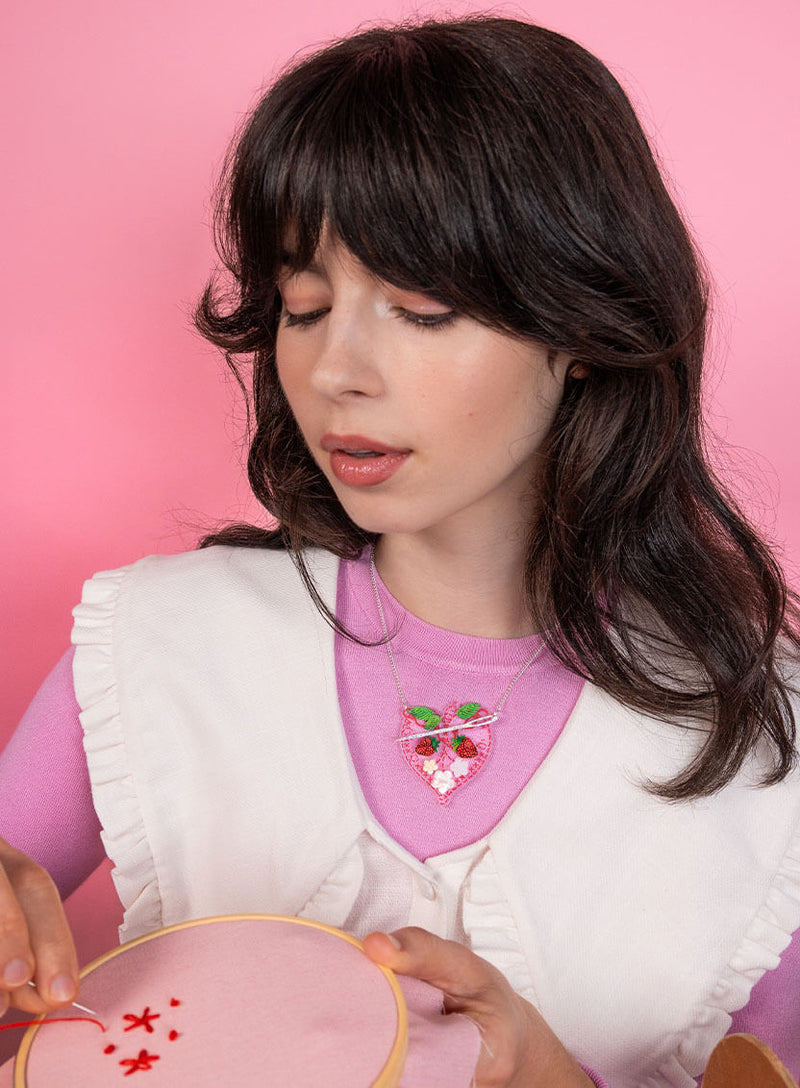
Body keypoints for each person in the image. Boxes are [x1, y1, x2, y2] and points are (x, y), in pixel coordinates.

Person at [1, 16, 799, 1088]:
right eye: (304, 305)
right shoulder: (154, 645)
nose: (337, 369)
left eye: (419, 309)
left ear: (579, 327)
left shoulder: (761, 737)